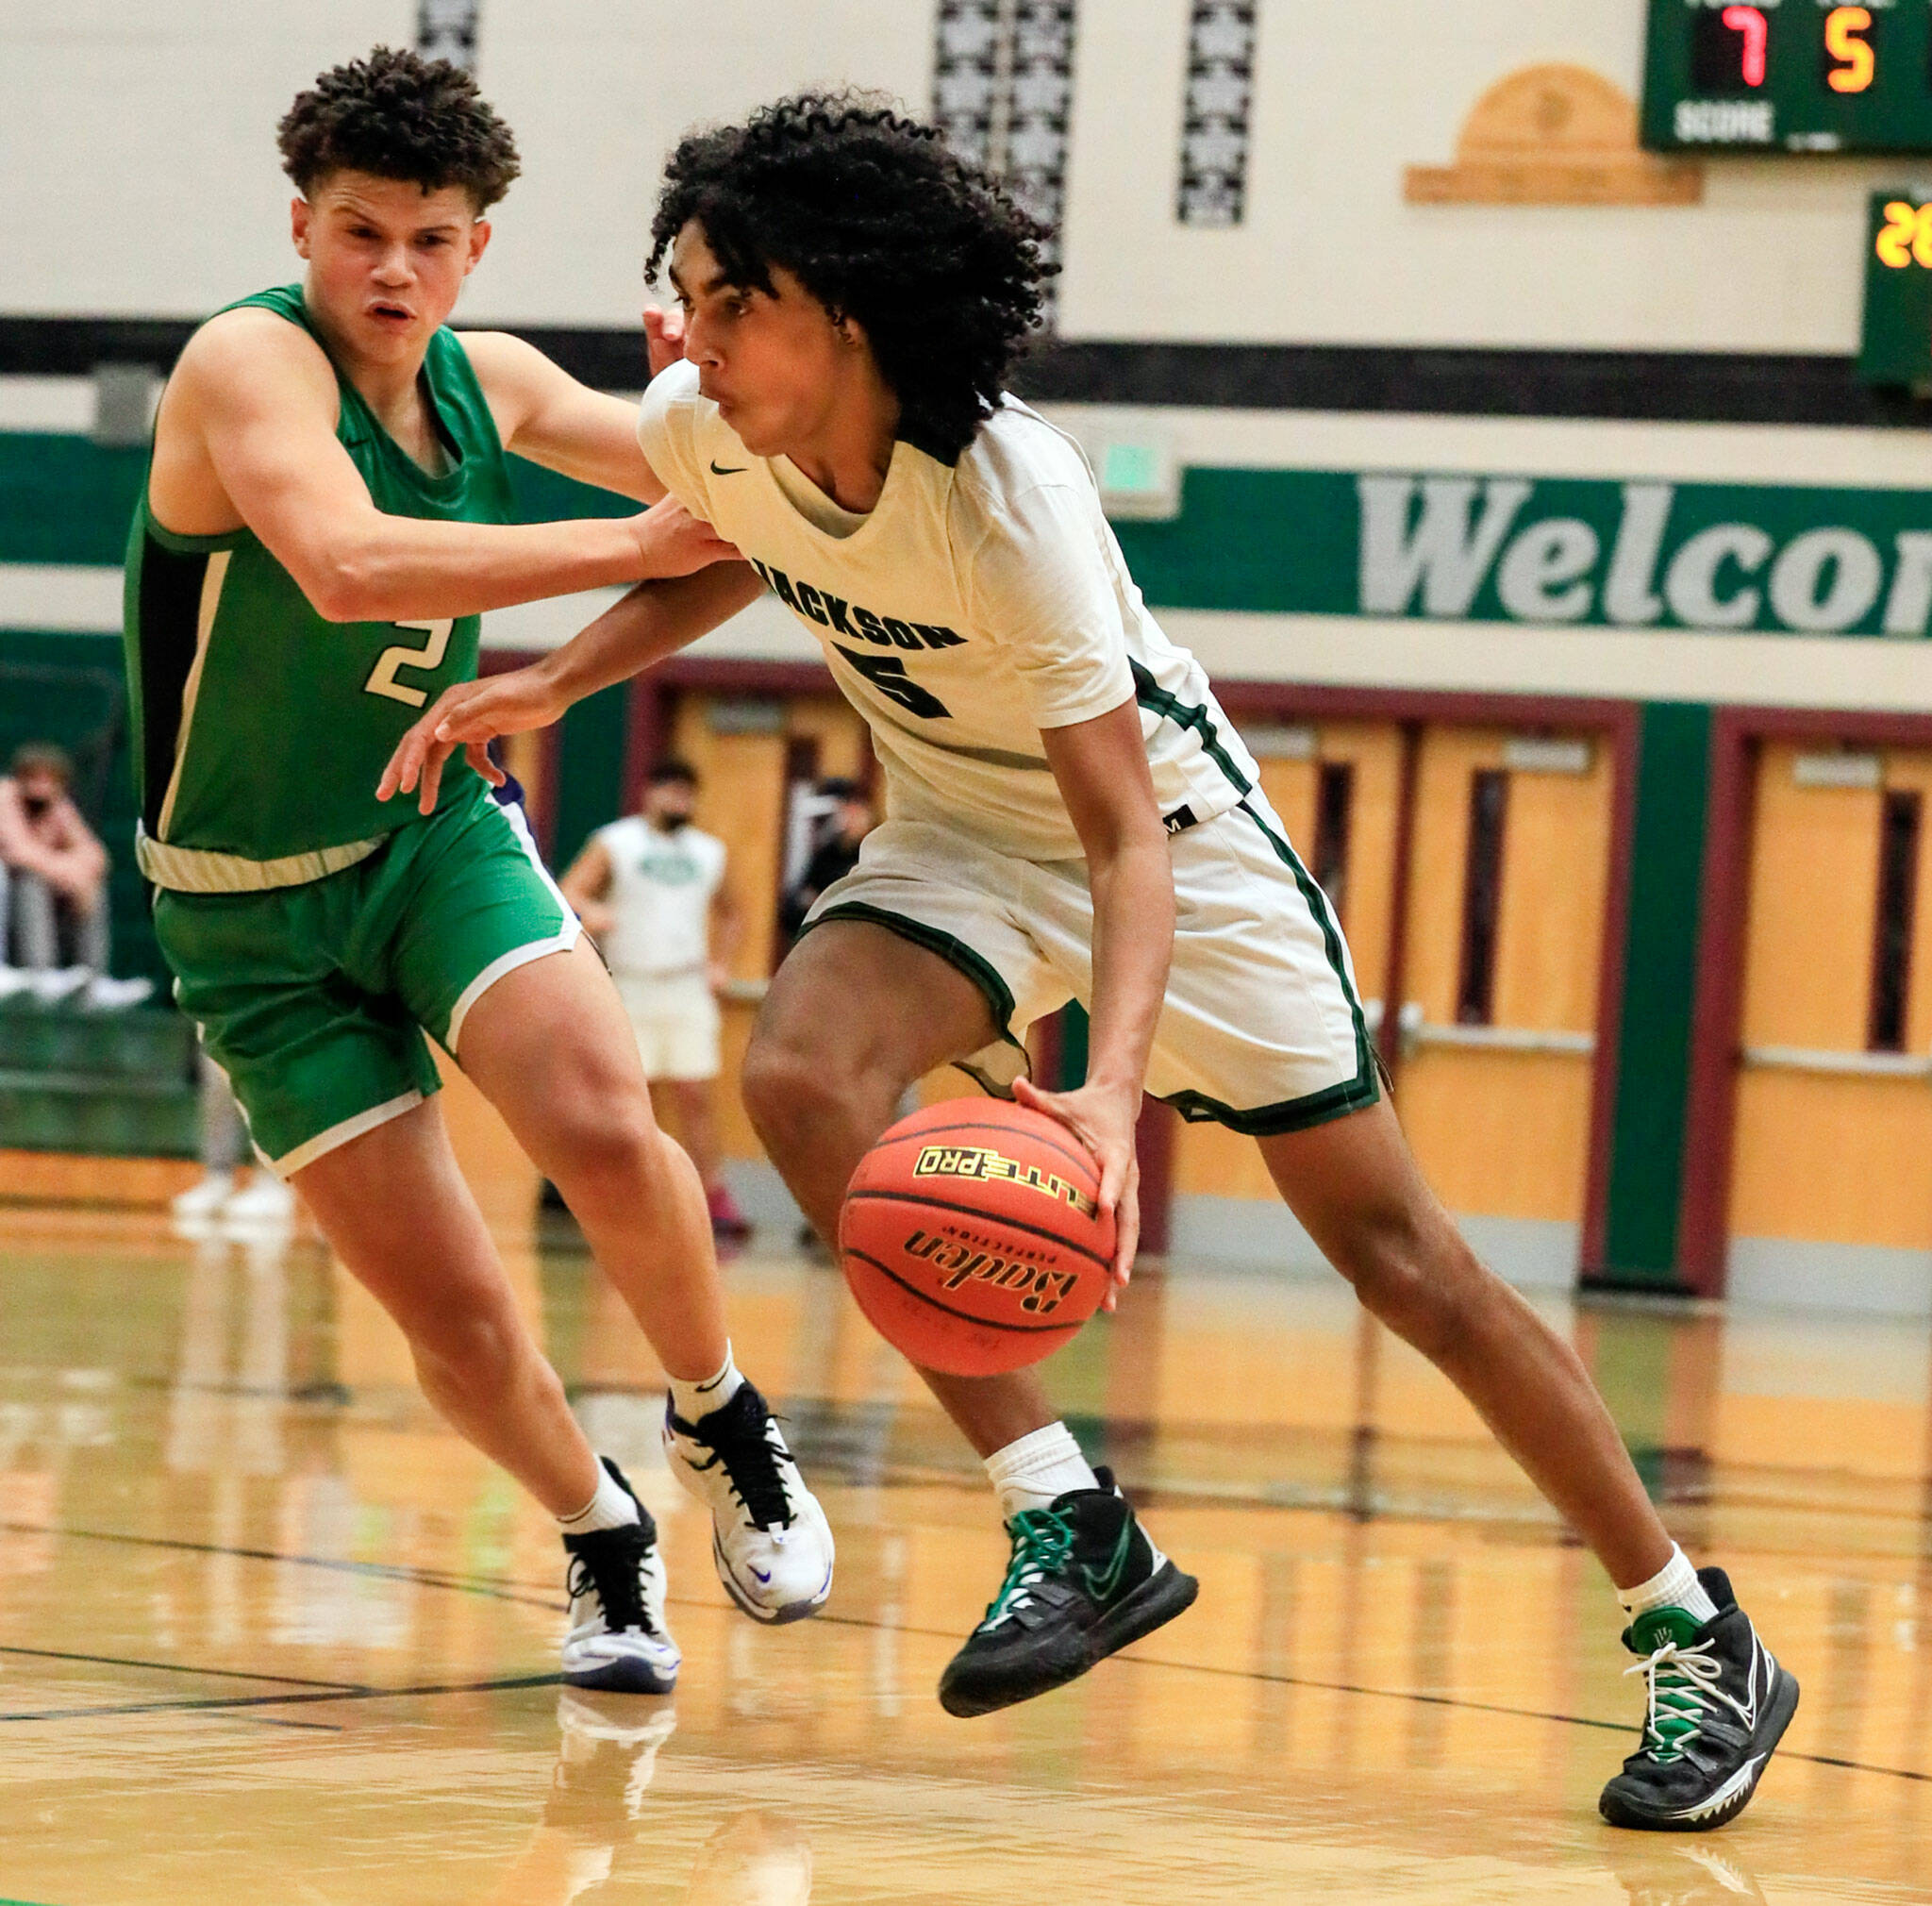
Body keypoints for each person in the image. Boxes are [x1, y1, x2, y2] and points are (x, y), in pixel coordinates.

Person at [384, 94, 1794, 1831]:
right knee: (798, 1077)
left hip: (1173, 850)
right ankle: (1069, 1517)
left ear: (844, 308)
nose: (691, 330)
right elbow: (732, 552)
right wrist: (557, 679)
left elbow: (1126, 848)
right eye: (682, 289)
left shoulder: (1007, 492)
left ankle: (1693, 1629)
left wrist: (1107, 1103)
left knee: (1403, 1263)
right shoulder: (710, 422)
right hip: (965, 834)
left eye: (728, 297)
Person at [124, 48, 833, 1694]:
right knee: (448, 1314)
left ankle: (718, 1411)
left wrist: (710, 410)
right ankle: (600, 1536)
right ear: (300, 224)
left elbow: (721, 489)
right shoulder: (244, 361)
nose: (390, 269)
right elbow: (350, 563)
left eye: (428, 239)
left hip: (425, 823)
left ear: (476, 249)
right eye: (358, 231)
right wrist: (636, 541)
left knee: (598, 1115)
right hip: (240, 911)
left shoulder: (493, 378)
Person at [559, 758, 751, 1241]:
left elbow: (733, 913)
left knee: (695, 1096)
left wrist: (722, 963)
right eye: (670, 789)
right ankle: (634, 1194)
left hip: (685, 986)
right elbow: (569, 892)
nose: (679, 799)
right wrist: (594, 912)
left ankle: (713, 1196)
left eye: (687, 791)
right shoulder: (616, 841)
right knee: (633, 1099)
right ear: (648, 792)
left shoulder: (709, 852)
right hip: (631, 984)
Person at [0, 743, 147, 1005]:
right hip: (14, 898)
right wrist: (68, 873)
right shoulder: (5, 796)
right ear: (19, 777)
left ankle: (94, 980)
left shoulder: (59, 807)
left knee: (90, 885)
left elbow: (95, 855)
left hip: (52, 899)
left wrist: (76, 877)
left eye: (48, 779)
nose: (40, 787)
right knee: (30, 880)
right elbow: (17, 851)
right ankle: (40, 974)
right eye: (33, 777)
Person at [777, 777, 874, 945]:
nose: (849, 817)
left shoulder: (876, 854)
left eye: (853, 810)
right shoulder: (828, 854)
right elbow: (796, 904)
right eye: (844, 811)